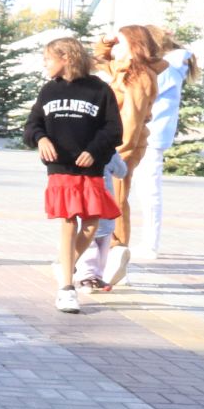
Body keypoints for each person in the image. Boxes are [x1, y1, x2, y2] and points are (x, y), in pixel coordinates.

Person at [22, 36, 121, 314]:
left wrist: (94, 150)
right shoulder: (48, 91)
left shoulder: (99, 90)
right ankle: (67, 288)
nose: (45, 65)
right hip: (60, 169)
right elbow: (31, 126)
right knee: (68, 221)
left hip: (90, 168)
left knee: (90, 223)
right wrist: (40, 139)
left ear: (66, 57)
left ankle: (64, 264)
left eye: (48, 59)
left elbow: (114, 131)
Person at [74, 25, 166, 291]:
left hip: (122, 149)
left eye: (121, 43)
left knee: (115, 201)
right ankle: (108, 259)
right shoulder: (126, 69)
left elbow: (132, 121)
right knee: (112, 201)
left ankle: (116, 256)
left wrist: (116, 156)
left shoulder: (140, 77)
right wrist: (106, 40)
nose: (116, 48)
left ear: (134, 45)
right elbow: (98, 59)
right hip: (115, 148)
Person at [138, 26, 198, 261]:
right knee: (146, 190)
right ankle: (148, 241)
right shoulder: (172, 65)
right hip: (153, 132)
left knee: (149, 190)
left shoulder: (168, 68)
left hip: (153, 134)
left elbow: (148, 92)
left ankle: (150, 244)